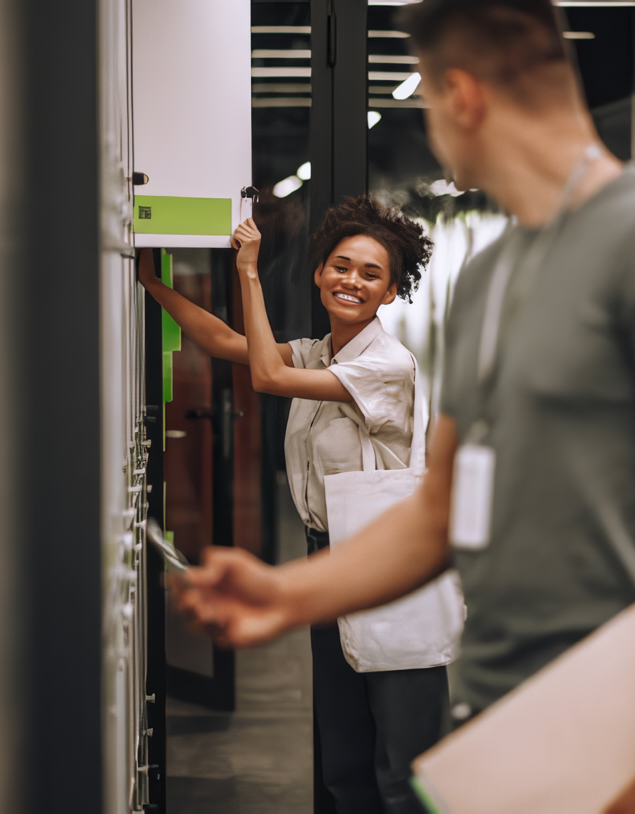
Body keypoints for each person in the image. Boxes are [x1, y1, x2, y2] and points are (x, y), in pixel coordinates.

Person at [170, 1, 635, 812]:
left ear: (462, 95)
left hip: (621, 728)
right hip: (501, 705)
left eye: (423, 101)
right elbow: (438, 510)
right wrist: (287, 596)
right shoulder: (493, 277)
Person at [138, 196, 449, 814]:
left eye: (369, 274)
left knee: (403, 766)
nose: (351, 281)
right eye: (341, 266)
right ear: (318, 274)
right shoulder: (320, 352)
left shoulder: (385, 366)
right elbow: (227, 341)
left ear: (389, 293)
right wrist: (151, 283)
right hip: (327, 565)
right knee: (344, 755)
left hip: (388, 572)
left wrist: (247, 271)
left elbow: (265, 378)